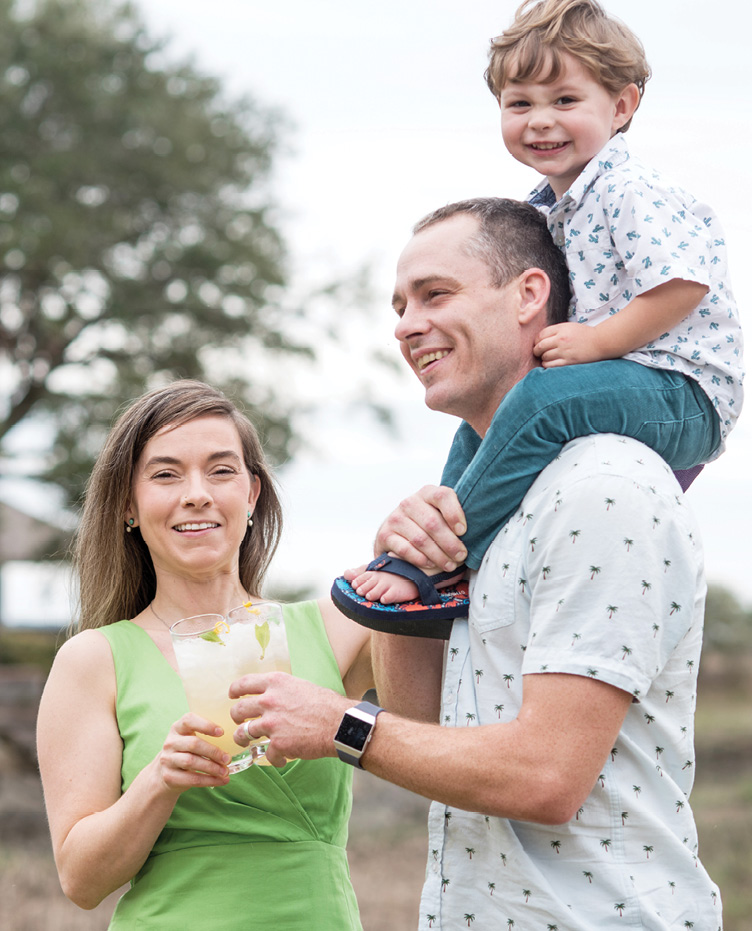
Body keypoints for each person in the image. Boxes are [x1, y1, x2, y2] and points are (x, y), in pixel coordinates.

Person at [229, 198, 723, 928]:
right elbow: (424, 726)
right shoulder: (488, 501)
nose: (404, 324)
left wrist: (340, 722)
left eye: (435, 294)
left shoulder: (600, 487)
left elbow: (548, 775)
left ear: (529, 295)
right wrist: (400, 582)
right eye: (398, 306)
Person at [335, 0, 742, 623]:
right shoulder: (551, 207)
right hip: (626, 381)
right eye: (520, 104)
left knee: (543, 400)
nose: (540, 121)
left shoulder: (630, 190)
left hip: (684, 390)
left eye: (564, 101)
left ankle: (445, 560)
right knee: (480, 426)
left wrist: (597, 342)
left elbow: (683, 286)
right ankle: (445, 538)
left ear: (623, 106)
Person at [36, 380, 372, 930]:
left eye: (221, 470)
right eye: (166, 474)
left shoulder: (339, 625)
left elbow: (439, 730)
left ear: (252, 495)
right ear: (129, 504)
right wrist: (158, 782)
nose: (198, 493)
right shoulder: (93, 661)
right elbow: (81, 881)